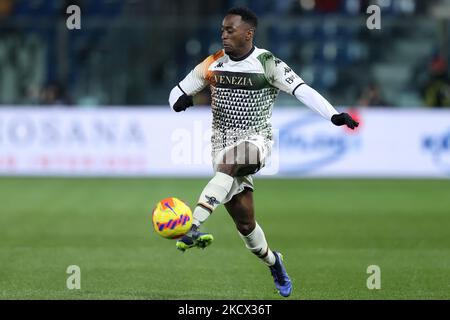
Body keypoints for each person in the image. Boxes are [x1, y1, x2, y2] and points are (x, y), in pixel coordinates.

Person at [168, 7, 358, 298]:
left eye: (230, 30)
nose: (224, 35)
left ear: (248, 33)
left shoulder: (267, 63)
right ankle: (274, 262)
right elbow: (177, 90)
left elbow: (302, 90)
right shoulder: (213, 63)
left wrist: (333, 115)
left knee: (231, 163)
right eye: (222, 29)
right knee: (245, 224)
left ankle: (192, 225)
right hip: (221, 146)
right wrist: (178, 102)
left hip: (257, 141)